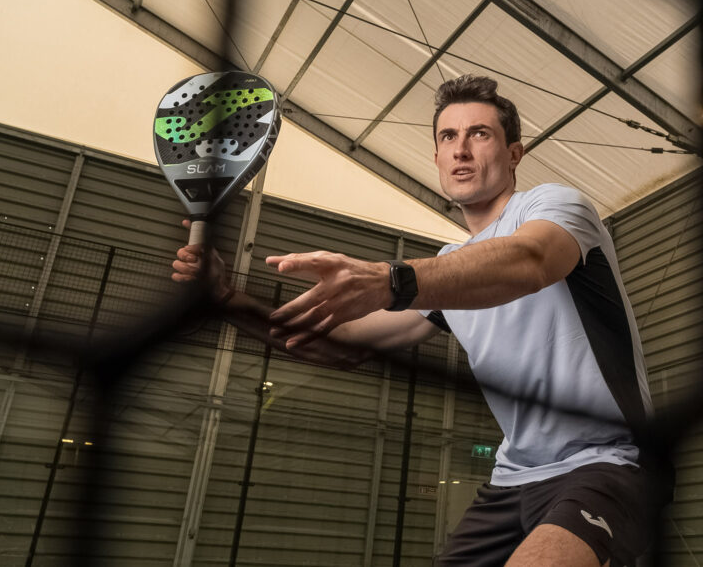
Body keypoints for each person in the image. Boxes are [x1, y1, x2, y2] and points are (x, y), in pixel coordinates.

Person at [172, 74, 669, 566]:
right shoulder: (450, 266)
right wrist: (226, 299)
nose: (461, 150)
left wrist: (393, 280)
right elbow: (339, 344)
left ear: (514, 153)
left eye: (480, 134)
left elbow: (531, 260)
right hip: (512, 479)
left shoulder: (556, 206)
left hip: (609, 462)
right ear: (435, 158)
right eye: (447, 137)